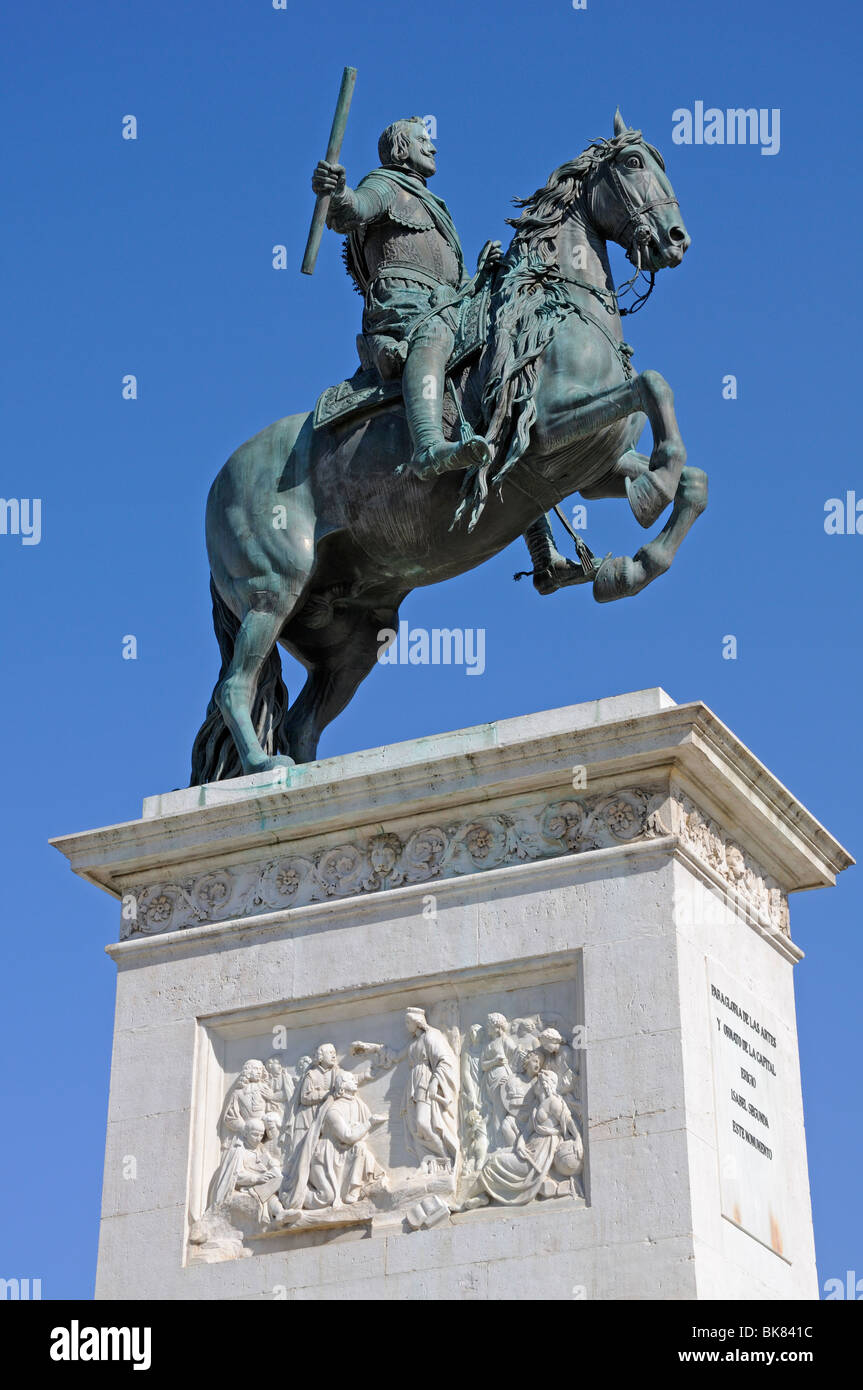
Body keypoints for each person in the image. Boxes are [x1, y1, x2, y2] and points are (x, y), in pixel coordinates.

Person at [312, 116, 498, 481]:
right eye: (423, 139)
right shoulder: (384, 184)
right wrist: (337, 191)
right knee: (433, 335)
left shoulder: (436, 207)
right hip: (404, 306)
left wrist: (480, 274)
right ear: (401, 148)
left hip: (446, 303)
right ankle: (428, 447)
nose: (433, 146)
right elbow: (355, 209)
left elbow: (457, 281)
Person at [477, 1070, 582, 1207]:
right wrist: (520, 1143)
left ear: (544, 1084)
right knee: (494, 1156)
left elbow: (568, 1120)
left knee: (493, 1163)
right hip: (529, 1148)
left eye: (537, 1082)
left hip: (540, 1153)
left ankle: (472, 1198)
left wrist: (578, 1138)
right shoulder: (537, 1107)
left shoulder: (553, 1102)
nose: (534, 1085)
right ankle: (483, 1194)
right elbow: (527, 1132)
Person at [303, 1072, 387, 1209]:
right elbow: (348, 1136)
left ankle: (354, 1190)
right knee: (326, 1196)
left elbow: (360, 1136)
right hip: (326, 1157)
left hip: (344, 1152)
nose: (355, 1081)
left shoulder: (358, 1103)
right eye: (351, 1079)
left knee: (361, 1147)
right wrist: (369, 1123)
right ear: (342, 1086)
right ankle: (300, 1195)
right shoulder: (333, 1110)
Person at [403, 1006, 459, 1167]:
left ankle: (445, 1156)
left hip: (424, 1081)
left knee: (423, 1123)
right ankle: (431, 1158)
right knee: (415, 1128)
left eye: (408, 1022)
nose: (406, 1025)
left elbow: (444, 1060)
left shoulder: (431, 1036)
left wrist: (435, 1082)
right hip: (413, 1084)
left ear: (417, 1022)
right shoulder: (413, 1042)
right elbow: (396, 1055)